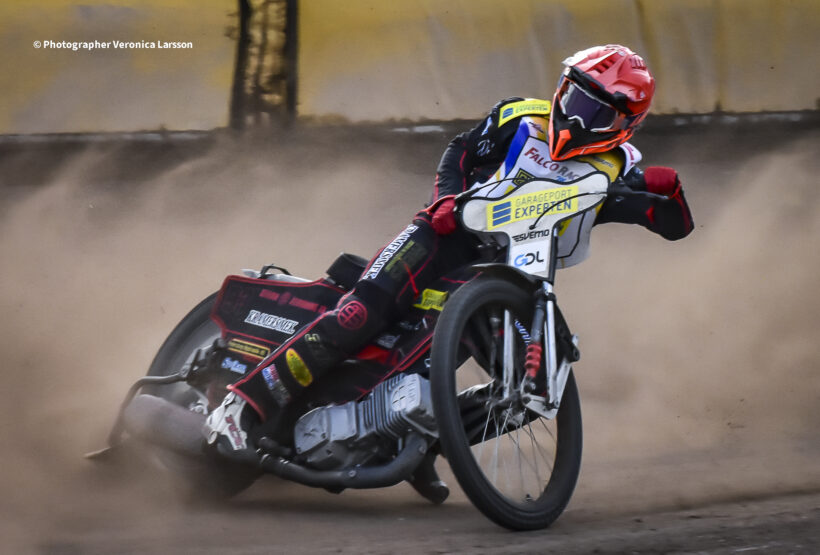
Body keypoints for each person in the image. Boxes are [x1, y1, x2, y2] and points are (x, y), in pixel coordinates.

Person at [204, 44, 694, 463]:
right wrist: (446, 199)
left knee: (530, 392)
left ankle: (420, 447)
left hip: (502, 278)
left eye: (596, 112)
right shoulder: (520, 116)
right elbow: (460, 149)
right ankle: (241, 406)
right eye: (573, 97)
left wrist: (671, 193)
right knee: (359, 313)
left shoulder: (616, 171)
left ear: (625, 123)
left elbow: (671, 226)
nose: (576, 115)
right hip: (442, 234)